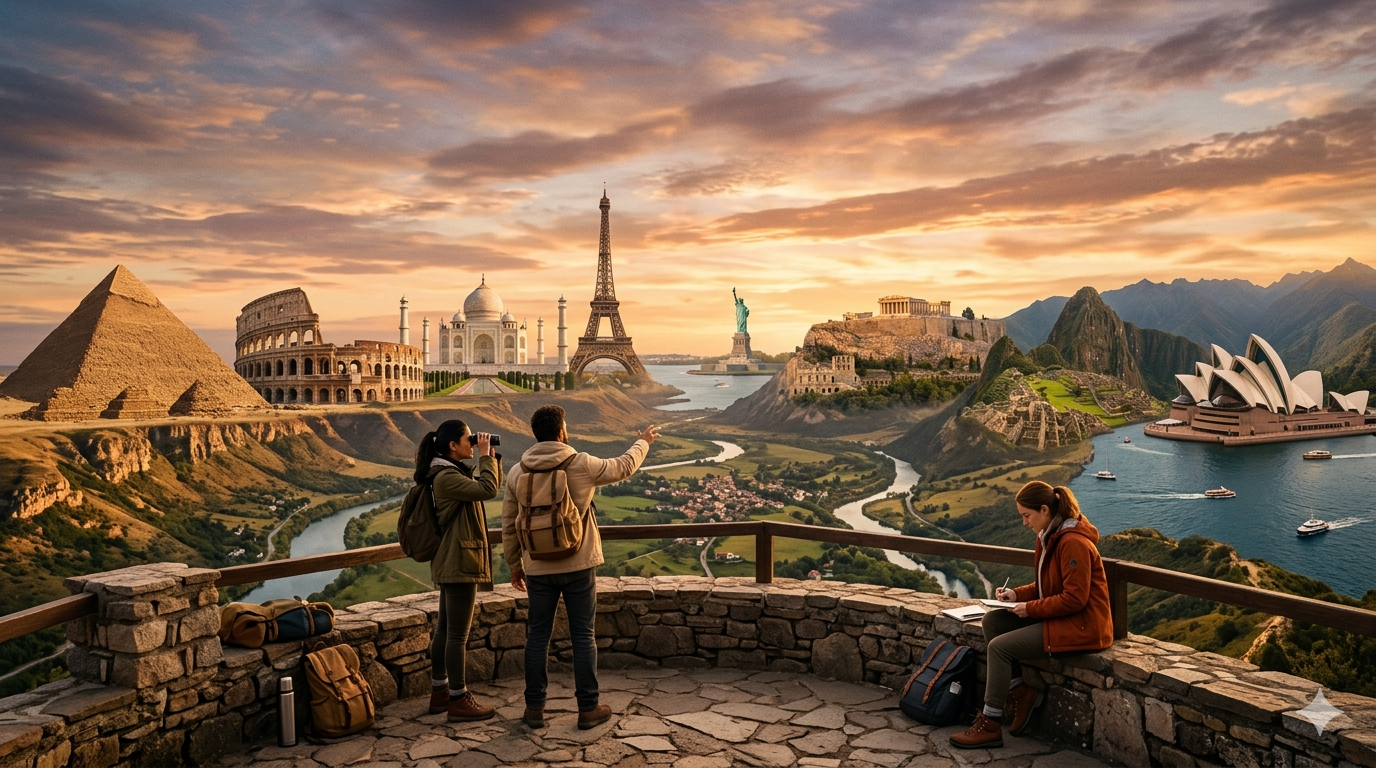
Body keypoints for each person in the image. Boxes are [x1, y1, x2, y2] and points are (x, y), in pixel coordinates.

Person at [503, 404, 658, 731]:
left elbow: (509, 525)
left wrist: (514, 565)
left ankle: (534, 708)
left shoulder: (517, 472)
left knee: (537, 636)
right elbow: (624, 466)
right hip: (579, 563)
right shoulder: (581, 463)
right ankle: (587, 708)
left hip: (537, 566)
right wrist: (643, 441)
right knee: (583, 635)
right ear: (561, 431)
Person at [950, 481, 1113, 749]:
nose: (1025, 523)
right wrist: (1017, 595)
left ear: (1045, 509)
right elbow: (1046, 588)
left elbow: (1075, 599)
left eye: (1027, 516)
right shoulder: (1049, 536)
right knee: (993, 621)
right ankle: (1021, 692)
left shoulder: (1072, 542)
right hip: (1061, 618)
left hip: (1081, 626)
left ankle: (990, 724)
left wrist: (1031, 608)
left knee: (999, 648)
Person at [415, 419, 503, 722]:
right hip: (459, 561)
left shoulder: (445, 473)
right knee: (457, 635)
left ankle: (440, 693)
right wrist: (485, 457)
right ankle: (458, 698)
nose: (472, 442)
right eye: (468, 439)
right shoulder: (445, 478)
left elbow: (486, 486)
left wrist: (490, 455)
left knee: (445, 630)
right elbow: (488, 489)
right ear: (453, 446)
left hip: (453, 559)